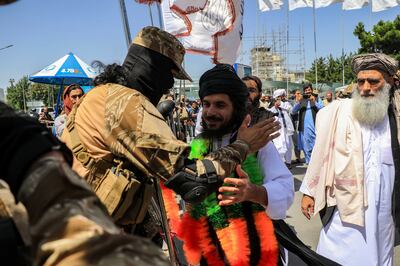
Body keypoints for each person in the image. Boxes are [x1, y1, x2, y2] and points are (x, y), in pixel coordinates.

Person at [61, 27, 281, 232]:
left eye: (220, 104)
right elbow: (192, 180)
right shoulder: (127, 104)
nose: (168, 85)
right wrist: (243, 145)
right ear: (149, 65)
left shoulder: (100, 96)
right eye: (169, 74)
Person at [0, 102, 170, 265]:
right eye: (72, 96)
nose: (76, 99)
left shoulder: (20, 138)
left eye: (78, 95)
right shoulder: (60, 122)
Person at [163, 64, 294, 266]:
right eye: (206, 104)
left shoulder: (258, 143)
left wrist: (253, 192)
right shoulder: (199, 143)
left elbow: (285, 189)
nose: (210, 112)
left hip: (255, 248)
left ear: (236, 108)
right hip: (213, 248)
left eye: (219, 105)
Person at [300, 53, 400, 266]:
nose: (365, 87)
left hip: (385, 206)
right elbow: (322, 151)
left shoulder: (396, 114)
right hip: (345, 204)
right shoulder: (340, 111)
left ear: (391, 82)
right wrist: (309, 190)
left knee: (381, 251)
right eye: (360, 81)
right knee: (337, 252)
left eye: (373, 81)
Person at [291, 84, 324, 164]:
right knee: (306, 145)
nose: (308, 91)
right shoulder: (302, 100)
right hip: (304, 128)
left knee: (316, 144)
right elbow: (293, 111)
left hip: (315, 126)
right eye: (306, 90)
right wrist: (298, 102)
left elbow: (322, 108)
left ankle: (317, 161)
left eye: (309, 90)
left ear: (312, 90)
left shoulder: (316, 98)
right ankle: (309, 162)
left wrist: (314, 102)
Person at [268, 96, 295, 168]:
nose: (278, 101)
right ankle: (281, 163)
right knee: (280, 146)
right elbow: (272, 113)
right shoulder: (272, 109)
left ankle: (288, 162)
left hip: (287, 130)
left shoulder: (285, 106)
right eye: (276, 100)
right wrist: (275, 106)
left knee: (289, 146)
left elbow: (290, 109)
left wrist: (281, 104)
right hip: (279, 131)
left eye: (279, 100)